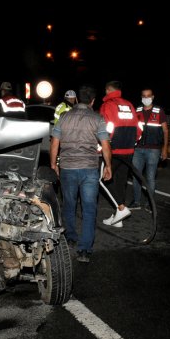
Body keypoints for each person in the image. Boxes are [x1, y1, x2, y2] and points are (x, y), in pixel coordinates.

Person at [50, 85, 112, 263]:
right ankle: (85, 249)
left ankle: (70, 237)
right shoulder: (97, 118)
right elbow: (105, 145)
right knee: (89, 208)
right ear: (92, 101)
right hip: (89, 169)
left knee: (69, 204)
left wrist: (54, 164)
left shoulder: (64, 117)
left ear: (77, 100)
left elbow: (55, 142)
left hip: (68, 168)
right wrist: (108, 166)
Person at [99, 81, 141, 227]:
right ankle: (118, 219)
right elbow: (138, 127)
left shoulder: (107, 105)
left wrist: (102, 147)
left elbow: (105, 130)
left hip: (113, 150)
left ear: (108, 90)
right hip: (129, 150)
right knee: (120, 182)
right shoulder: (129, 105)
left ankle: (121, 207)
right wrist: (132, 142)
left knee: (103, 181)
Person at [130, 87, 169, 211]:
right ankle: (136, 202)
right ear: (141, 97)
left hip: (153, 150)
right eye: (144, 96)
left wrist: (165, 149)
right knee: (136, 176)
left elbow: (165, 130)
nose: (146, 98)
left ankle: (149, 204)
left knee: (150, 178)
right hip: (137, 149)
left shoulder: (159, 111)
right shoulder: (137, 110)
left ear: (152, 97)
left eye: (148, 96)